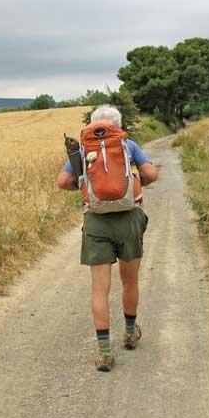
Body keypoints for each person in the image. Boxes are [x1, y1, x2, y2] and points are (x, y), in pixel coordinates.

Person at [57, 105, 158, 372]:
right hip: (129, 218)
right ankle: (129, 332)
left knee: (99, 288)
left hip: (96, 221)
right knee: (130, 280)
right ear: (117, 125)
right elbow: (151, 175)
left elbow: (62, 181)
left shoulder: (83, 149)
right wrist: (132, 186)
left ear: (93, 125)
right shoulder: (128, 145)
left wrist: (83, 185)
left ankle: (103, 352)